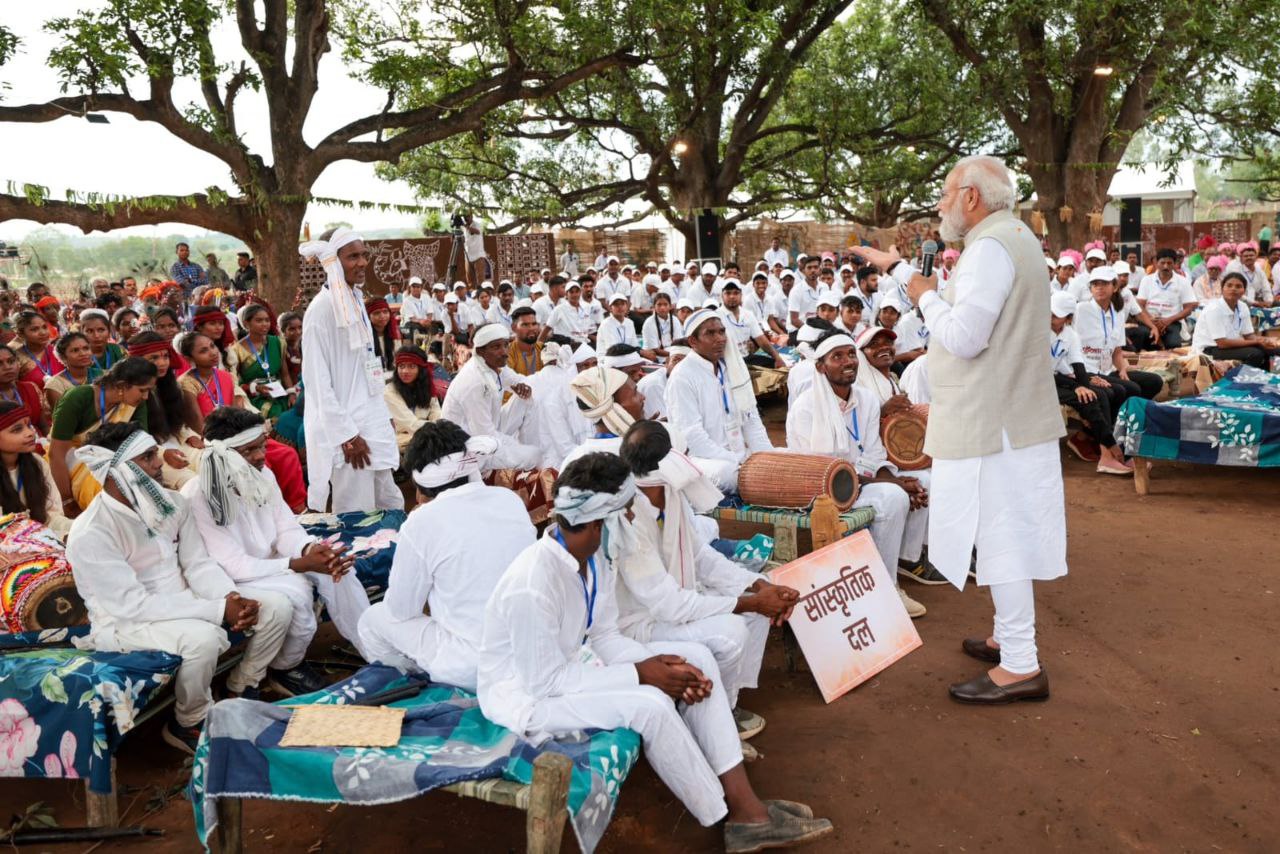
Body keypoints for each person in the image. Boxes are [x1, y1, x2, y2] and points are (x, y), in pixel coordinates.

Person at [478, 453, 833, 850]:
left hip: (571, 668)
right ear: (600, 521)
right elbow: (544, 683)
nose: (633, 518)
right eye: (627, 511)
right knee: (651, 705)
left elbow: (606, 636)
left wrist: (658, 664)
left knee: (695, 661)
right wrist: (643, 674)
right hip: (525, 697)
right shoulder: (533, 582)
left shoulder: (593, 555)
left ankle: (743, 800)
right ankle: (739, 817)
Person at [855, 155, 1066, 704]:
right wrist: (901, 270)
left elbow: (963, 336)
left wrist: (921, 294)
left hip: (995, 426)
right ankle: (1008, 638)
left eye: (946, 195)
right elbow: (960, 305)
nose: (942, 205)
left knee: (1004, 540)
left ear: (971, 196)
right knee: (1002, 534)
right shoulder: (1012, 237)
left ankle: (1021, 664)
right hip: (1008, 419)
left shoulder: (990, 249)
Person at [67, 423, 291, 753]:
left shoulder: (172, 503)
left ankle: (242, 687)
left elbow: (198, 564)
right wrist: (216, 610)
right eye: (147, 457)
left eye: (155, 454)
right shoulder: (91, 532)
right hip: (126, 623)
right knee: (202, 640)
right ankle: (188, 722)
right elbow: (132, 606)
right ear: (118, 471)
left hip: (185, 600)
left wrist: (230, 597)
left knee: (277, 607)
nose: (160, 463)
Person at [618, 420, 796, 739]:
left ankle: (725, 703)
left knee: (757, 595)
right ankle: (710, 722)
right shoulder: (627, 516)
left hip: (677, 601)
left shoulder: (670, 494)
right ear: (670, 464)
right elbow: (669, 605)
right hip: (640, 624)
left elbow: (702, 558)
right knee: (732, 631)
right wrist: (749, 602)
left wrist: (757, 587)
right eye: (684, 454)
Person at [183, 406, 369, 696]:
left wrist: (311, 549)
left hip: (270, 564)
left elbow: (285, 528)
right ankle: (286, 667)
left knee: (338, 570)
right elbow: (232, 563)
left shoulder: (263, 474)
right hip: (230, 578)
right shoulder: (198, 496)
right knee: (295, 593)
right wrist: (298, 564)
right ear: (225, 454)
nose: (261, 456)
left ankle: (373, 648)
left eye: (262, 446)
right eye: (249, 450)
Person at [359, 421, 536, 687]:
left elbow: (401, 609)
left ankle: (418, 687)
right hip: (533, 654)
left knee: (372, 620)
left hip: (473, 667)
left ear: (421, 486)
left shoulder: (421, 523)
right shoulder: (509, 500)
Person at [785, 331, 932, 618]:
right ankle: (885, 587)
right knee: (892, 496)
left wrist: (893, 480)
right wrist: (891, 483)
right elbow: (821, 469)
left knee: (921, 481)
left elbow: (874, 453)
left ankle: (902, 563)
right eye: (837, 357)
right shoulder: (806, 407)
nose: (848, 361)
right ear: (820, 366)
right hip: (820, 488)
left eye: (851, 354)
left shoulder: (864, 399)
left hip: (859, 479)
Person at [299, 227, 402, 514]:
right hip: (350, 432)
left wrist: (383, 413)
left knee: (390, 504)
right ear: (333, 260)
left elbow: (367, 365)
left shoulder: (355, 299)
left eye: (364, 255)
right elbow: (317, 382)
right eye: (352, 256)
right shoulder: (320, 311)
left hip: (372, 420)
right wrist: (346, 435)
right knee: (358, 513)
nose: (362, 263)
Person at [666, 310, 773, 491]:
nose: (720, 338)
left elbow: (751, 419)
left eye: (722, 331)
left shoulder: (733, 368)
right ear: (693, 341)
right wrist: (739, 462)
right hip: (704, 460)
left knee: (784, 457)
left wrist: (767, 457)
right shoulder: (682, 376)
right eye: (710, 333)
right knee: (729, 474)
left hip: (740, 457)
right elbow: (692, 437)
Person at [49, 356, 156, 514]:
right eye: (142, 390)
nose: (146, 396)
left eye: (149, 390)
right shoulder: (78, 398)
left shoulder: (136, 402)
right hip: (73, 455)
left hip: (116, 455)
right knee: (106, 491)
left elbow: (141, 443)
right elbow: (56, 454)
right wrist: (67, 500)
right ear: (121, 386)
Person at [1048, 293, 1132, 475]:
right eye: (1050, 312)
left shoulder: (1070, 335)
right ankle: (1112, 450)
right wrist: (1076, 386)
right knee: (1090, 398)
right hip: (1038, 383)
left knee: (1094, 394)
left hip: (1057, 379)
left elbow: (1078, 364)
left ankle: (1107, 455)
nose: (1050, 317)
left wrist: (1084, 385)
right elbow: (1040, 371)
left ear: (1068, 318)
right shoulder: (1039, 332)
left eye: (1056, 315)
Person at [438, 323, 540, 470]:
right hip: (470, 446)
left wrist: (523, 387)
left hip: (491, 430)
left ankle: (523, 446)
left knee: (525, 398)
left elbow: (518, 380)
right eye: (496, 347)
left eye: (505, 345)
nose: (504, 352)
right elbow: (484, 435)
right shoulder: (474, 382)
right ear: (480, 351)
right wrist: (514, 447)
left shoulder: (494, 365)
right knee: (534, 455)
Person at [1075, 267, 1164, 403]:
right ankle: (1120, 419)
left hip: (1107, 370)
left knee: (1154, 381)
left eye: (1104, 284)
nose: (1099, 288)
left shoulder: (1118, 314)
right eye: (1095, 284)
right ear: (1090, 288)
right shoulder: (1080, 310)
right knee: (1131, 389)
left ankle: (1130, 413)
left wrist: (1122, 368)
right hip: (1087, 371)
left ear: (1115, 287)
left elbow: (1116, 351)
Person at [0, 401, 70, 538]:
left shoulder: (37, 462)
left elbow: (51, 514)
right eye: (17, 429)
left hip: (38, 537)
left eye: (28, 425)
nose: (30, 433)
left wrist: (70, 532)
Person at [1190, 271, 1278, 369]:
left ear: (1244, 291)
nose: (1233, 289)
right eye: (1229, 285)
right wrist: (1257, 342)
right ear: (1222, 289)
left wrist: (1264, 341)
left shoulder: (1242, 306)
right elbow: (1222, 343)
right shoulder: (1214, 309)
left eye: (1238, 286)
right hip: (1210, 349)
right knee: (1255, 354)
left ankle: (1261, 380)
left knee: (1272, 350)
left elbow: (1248, 335)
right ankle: (1239, 382)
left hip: (1228, 346)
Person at [233, 303, 294, 419]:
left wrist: (291, 393)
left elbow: (285, 374)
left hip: (279, 393)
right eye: (259, 321)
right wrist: (254, 388)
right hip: (255, 398)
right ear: (246, 323)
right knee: (276, 415)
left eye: (267, 320)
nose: (265, 324)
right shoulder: (236, 350)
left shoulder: (277, 342)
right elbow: (234, 383)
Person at [1137, 248, 1198, 350]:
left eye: (1169, 263)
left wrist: (1167, 321)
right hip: (1149, 321)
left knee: (1173, 344)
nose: (1166, 266)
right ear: (1156, 263)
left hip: (1172, 322)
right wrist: (1151, 321)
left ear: (1175, 264)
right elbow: (1139, 304)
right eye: (1163, 263)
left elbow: (1189, 308)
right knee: (1146, 342)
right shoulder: (1147, 280)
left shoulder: (1183, 281)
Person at [384, 346, 442, 451]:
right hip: (402, 444)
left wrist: (439, 427)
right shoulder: (390, 391)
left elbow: (437, 414)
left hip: (428, 437)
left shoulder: (428, 388)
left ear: (421, 369)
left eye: (411, 366)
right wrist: (440, 429)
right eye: (401, 366)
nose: (405, 371)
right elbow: (410, 424)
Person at [719, 280, 786, 368]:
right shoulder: (717, 316)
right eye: (728, 293)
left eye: (736, 293)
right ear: (722, 296)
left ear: (741, 295)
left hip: (746, 358)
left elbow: (761, 340)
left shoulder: (747, 314)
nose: (732, 296)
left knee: (774, 364)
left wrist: (777, 357)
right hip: (728, 362)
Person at [9, 310, 64, 388]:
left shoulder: (58, 352)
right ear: (21, 334)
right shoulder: (15, 358)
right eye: (34, 329)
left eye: (44, 327)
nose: (43, 332)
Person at [0, 347, 46, 436]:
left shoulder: (30, 388)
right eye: (0, 364)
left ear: (18, 363)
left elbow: (43, 426)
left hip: (40, 444)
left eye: (11, 361)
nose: (7, 367)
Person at [44, 332, 96, 412]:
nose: (83, 353)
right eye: (75, 350)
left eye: (86, 348)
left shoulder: (103, 375)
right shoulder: (55, 385)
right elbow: (64, 417)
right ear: (63, 357)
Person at [638, 341, 689, 420]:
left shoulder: (686, 380)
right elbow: (665, 424)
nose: (680, 367)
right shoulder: (654, 385)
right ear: (667, 362)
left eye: (686, 363)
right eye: (676, 360)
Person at [364, 296, 401, 375]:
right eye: (376, 313)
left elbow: (398, 358)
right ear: (368, 317)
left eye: (385, 311)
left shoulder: (394, 333)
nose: (382, 316)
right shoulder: (364, 337)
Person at [506, 306, 544, 376]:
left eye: (534, 324)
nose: (531, 328)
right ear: (514, 328)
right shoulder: (507, 353)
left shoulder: (544, 348)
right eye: (525, 325)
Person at [399, 278, 434, 345]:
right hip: (412, 323)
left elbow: (430, 313)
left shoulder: (426, 297)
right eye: (413, 286)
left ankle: (432, 349)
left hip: (425, 322)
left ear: (421, 288)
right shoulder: (407, 300)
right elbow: (412, 318)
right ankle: (420, 347)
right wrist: (421, 321)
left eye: (418, 287)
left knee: (434, 328)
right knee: (415, 329)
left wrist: (428, 321)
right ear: (410, 288)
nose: (416, 289)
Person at [278, 310, 304, 382]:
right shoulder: (281, 349)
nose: (298, 332)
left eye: (300, 327)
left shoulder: (304, 346)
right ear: (283, 330)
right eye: (292, 329)